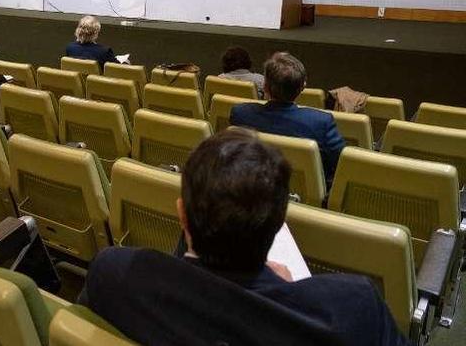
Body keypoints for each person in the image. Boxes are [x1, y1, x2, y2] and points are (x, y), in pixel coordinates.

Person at [80, 130, 410, 346]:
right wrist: (285, 289)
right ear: (280, 221)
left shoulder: (116, 274)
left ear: (182, 215)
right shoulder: (354, 308)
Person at [230, 52, 344, 180]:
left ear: (265, 86)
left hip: (254, 186)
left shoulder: (240, 114)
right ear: (302, 87)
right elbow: (342, 164)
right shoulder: (322, 122)